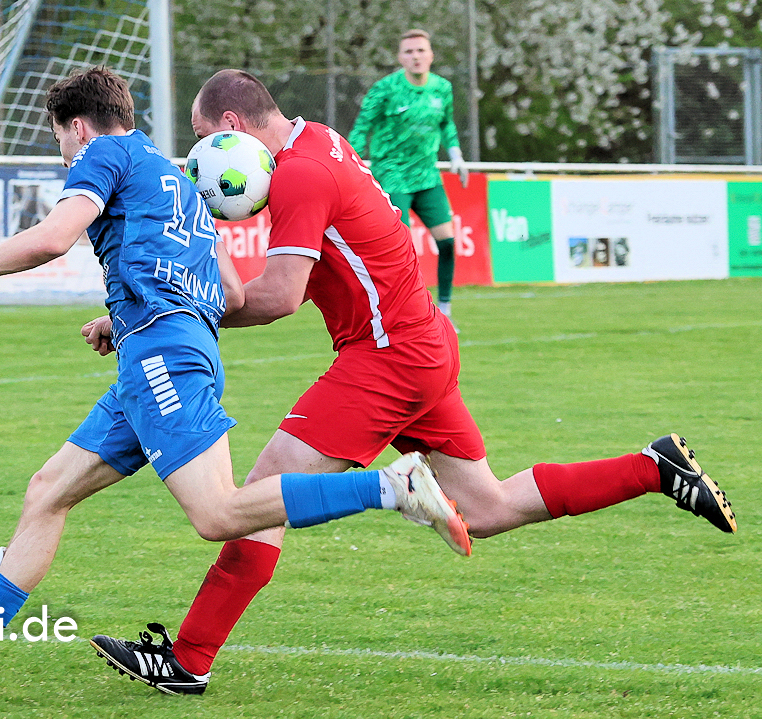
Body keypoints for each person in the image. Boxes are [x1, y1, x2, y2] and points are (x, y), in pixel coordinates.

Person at [88, 69, 737, 696]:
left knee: (259, 500)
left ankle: (189, 659)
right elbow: (296, 278)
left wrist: (157, 317)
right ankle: (653, 469)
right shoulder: (318, 141)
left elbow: (279, 297)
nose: (201, 156)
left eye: (205, 137)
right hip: (419, 342)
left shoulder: (301, 176)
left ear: (233, 124)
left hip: (387, 359)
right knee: (488, 508)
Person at [0, 67, 468, 697]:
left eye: (59, 140)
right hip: (166, 352)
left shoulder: (102, 153)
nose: (63, 154)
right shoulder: (179, 178)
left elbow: (55, 238)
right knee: (48, 491)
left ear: (78, 128)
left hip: (160, 358)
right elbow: (234, 294)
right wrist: (134, 317)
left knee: (218, 513)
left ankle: (392, 487)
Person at [348, 29, 466, 322]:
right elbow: (361, 128)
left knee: (448, 242)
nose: (416, 57)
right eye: (409, 52)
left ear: (431, 55)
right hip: (392, 174)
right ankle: (401, 312)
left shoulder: (442, 88)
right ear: (400, 58)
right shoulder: (385, 89)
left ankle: (445, 311)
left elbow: (446, 124)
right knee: (400, 249)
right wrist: (351, 164)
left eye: (421, 51)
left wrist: (456, 155)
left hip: (427, 176)